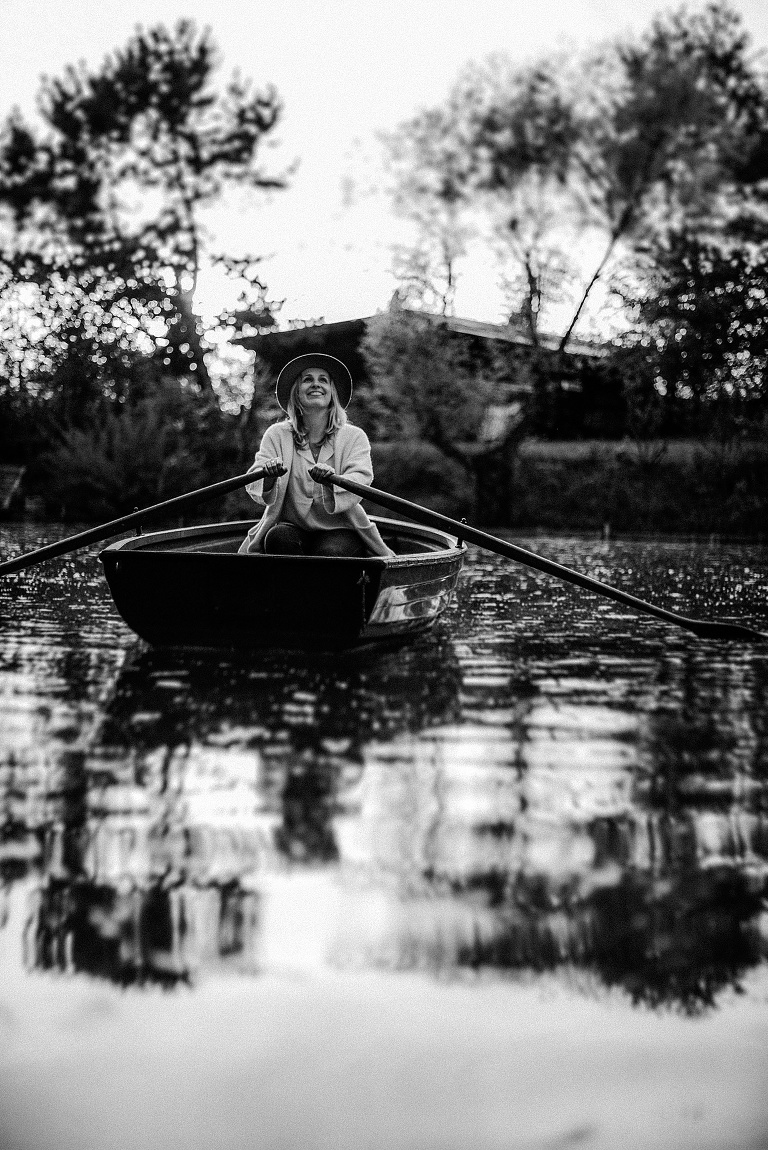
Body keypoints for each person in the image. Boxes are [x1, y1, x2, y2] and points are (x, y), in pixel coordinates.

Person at [238, 353, 393, 558]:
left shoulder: (354, 436)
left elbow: (361, 479)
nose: (316, 385)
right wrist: (268, 475)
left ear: (331, 393)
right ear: (297, 393)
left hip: (340, 528)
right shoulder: (277, 434)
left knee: (329, 553)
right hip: (292, 526)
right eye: (308, 379)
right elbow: (256, 478)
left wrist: (332, 481)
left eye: (323, 380)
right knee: (278, 538)